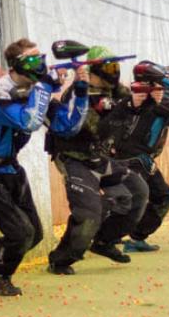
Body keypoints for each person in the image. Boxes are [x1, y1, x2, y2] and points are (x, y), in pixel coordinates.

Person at [0, 38, 88, 295]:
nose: (40, 63)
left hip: (11, 170)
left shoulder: (35, 89)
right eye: (32, 59)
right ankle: (0, 278)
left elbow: (67, 127)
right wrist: (45, 85)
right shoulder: (0, 90)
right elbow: (28, 121)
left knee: (35, 234)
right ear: (15, 64)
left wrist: (80, 89)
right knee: (21, 233)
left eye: (40, 57)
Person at [44, 46, 149, 273]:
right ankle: (61, 260)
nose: (114, 73)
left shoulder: (114, 91)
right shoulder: (77, 94)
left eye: (116, 67)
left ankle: (104, 241)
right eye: (109, 68)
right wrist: (125, 107)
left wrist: (153, 97)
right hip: (74, 158)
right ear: (94, 72)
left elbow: (138, 103)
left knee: (137, 192)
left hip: (99, 158)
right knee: (89, 213)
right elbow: (94, 128)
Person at [107, 62, 169, 252]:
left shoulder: (144, 97)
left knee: (136, 198)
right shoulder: (154, 99)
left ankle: (119, 236)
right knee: (153, 198)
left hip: (132, 157)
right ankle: (114, 236)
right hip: (135, 158)